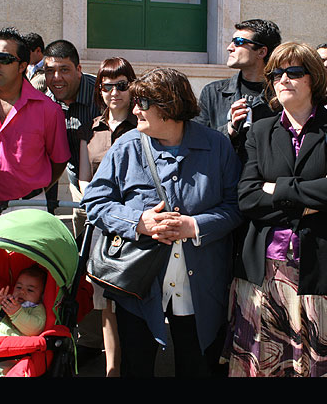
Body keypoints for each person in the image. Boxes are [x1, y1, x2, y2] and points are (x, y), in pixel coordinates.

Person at [221, 41, 327, 377]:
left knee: (326, 369)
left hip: (326, 274)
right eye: (276, 73)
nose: (283, 79)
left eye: (294, 72)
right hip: (264, 274)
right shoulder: (260, 130)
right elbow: (246, 197)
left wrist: (275, 189)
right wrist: (311, 203)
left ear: (313, 79)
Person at [81, 67, 242, 377]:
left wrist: (194, 226)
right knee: (136, 366)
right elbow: (94, 203)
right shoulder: (127, 146)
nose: (134, 107)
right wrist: (138, 222)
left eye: (142, 101)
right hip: (139, 283)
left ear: (169, 105)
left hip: (202, 284)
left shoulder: (217, 145)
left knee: (198, 367)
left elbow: (236, 206)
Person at [0, 27, 70, 221]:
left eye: (4, 59)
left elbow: (59, 160)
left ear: (22, 66)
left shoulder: (48, 110)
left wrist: (31, 187)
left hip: (29, 208)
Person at [77, 57, 138, 377]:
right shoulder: (91, 127)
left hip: (135, 223)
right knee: (105, 299)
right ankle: (112, 368)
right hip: (100, 223)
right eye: (106, 86)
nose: (114, 92)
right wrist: (96, 202)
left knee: (134, 296)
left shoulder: (143, 126)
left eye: (121, 85)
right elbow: (84, 178)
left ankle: (135, 362)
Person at [194, 19, 282, 158]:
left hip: (265, 177)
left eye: (238, 42)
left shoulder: (281, 94)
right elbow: (196, 140)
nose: (230, 47)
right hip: (224, 176)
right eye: (231, 41)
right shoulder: (213, 92)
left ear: (261, 52)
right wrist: (230, 129)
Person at [43, 39, 100, 236]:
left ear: (78, 69)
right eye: (49, 71)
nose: (56, 78)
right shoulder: (45, 102)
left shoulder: (102, 95)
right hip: (76, 180)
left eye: (64, 70)